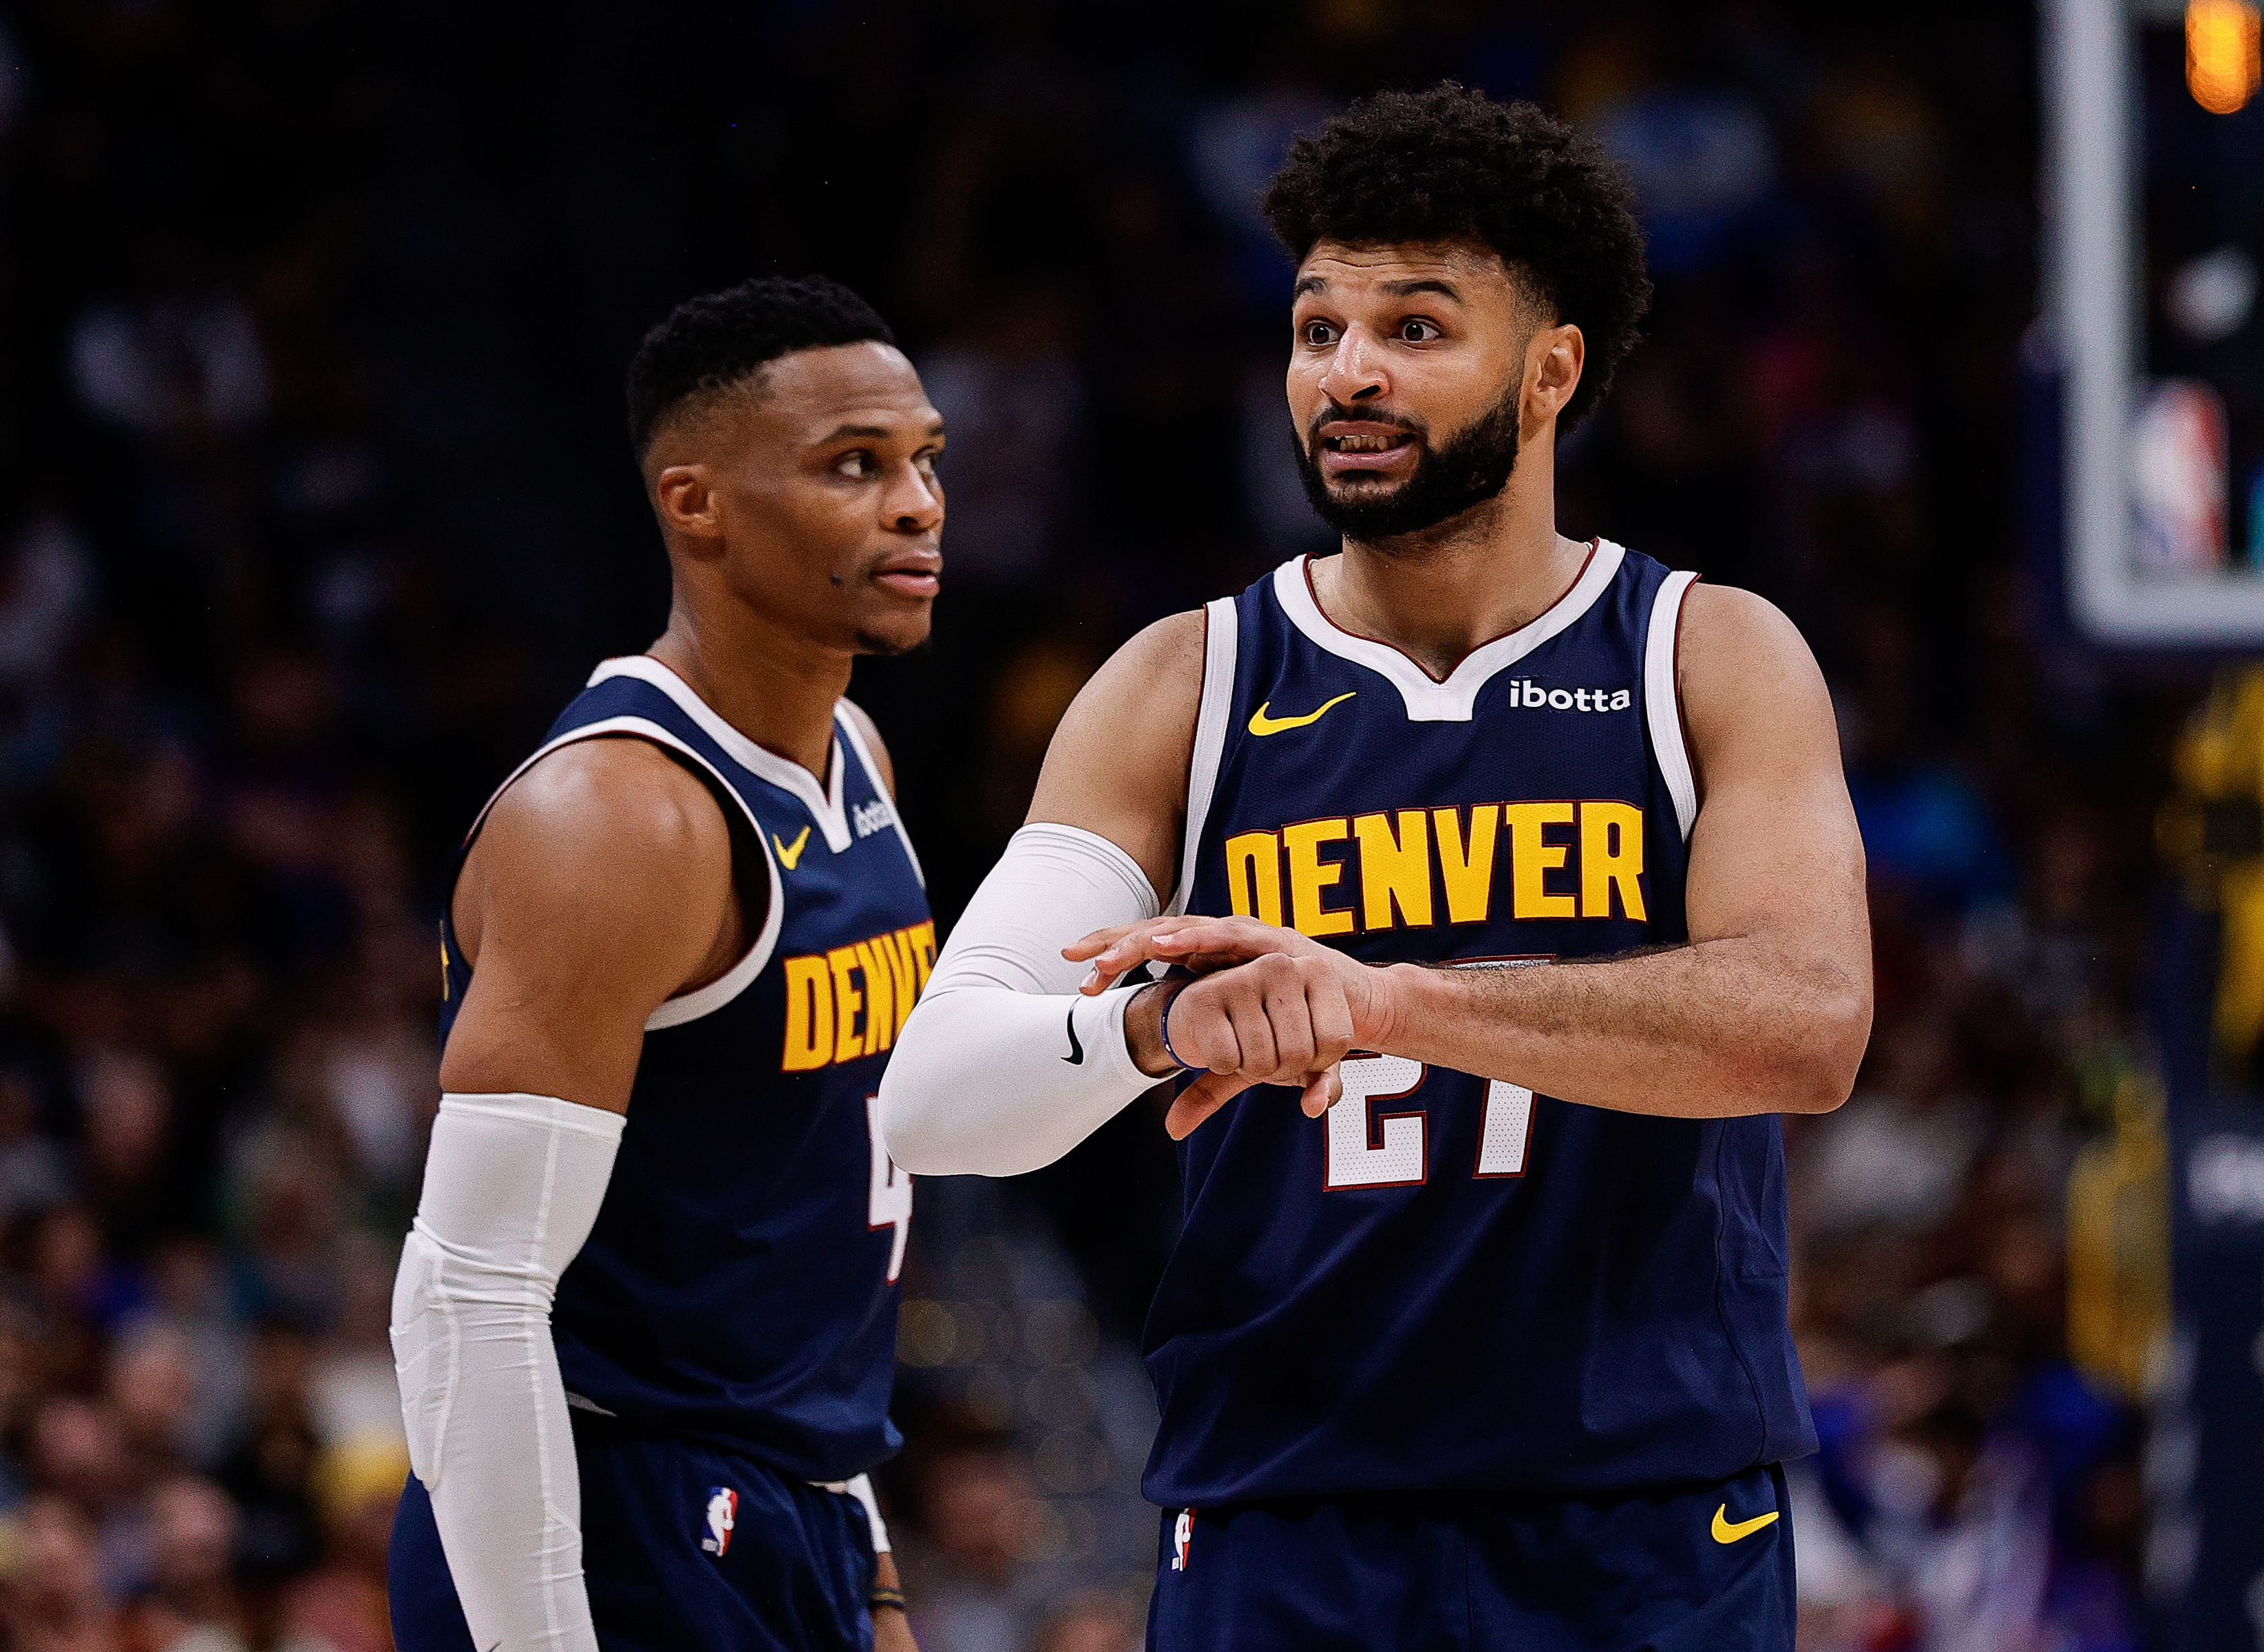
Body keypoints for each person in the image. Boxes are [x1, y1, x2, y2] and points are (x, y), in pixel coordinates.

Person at [880, 85, 1872, 1651]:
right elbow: (934, 1092)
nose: (1347, 372)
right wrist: (1158, 1032)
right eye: (1317, 326)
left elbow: (1806, 1025)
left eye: (1415, 329)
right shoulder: (1180, 684)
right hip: (1291, 1516)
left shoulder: (1708, 656)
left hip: (1646, 1525)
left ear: (1550, 371)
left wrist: (1389, 1001)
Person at [386, 276, 942, 1652]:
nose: (919, 505)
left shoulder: (856, 761)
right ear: (696, 505)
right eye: (853, 468)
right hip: (599, 1518)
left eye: (926, 461)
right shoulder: (619, 822)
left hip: (789, 1503)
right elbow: (464, 1297)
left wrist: (859, 1539)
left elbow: (803, 1207)